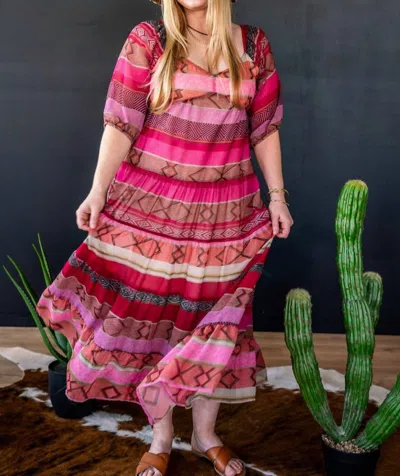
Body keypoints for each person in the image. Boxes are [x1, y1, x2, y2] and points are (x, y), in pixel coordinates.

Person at [36, 0, 294, 474]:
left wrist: (277, 196)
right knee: (155, 323)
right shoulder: (149, 40)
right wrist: (97, 192)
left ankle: (205, 435)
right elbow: (121, 122)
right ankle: (161, 437)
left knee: (217, 324)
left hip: (228, 213)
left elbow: (265, 128)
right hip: (150, 210)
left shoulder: (254, 45)